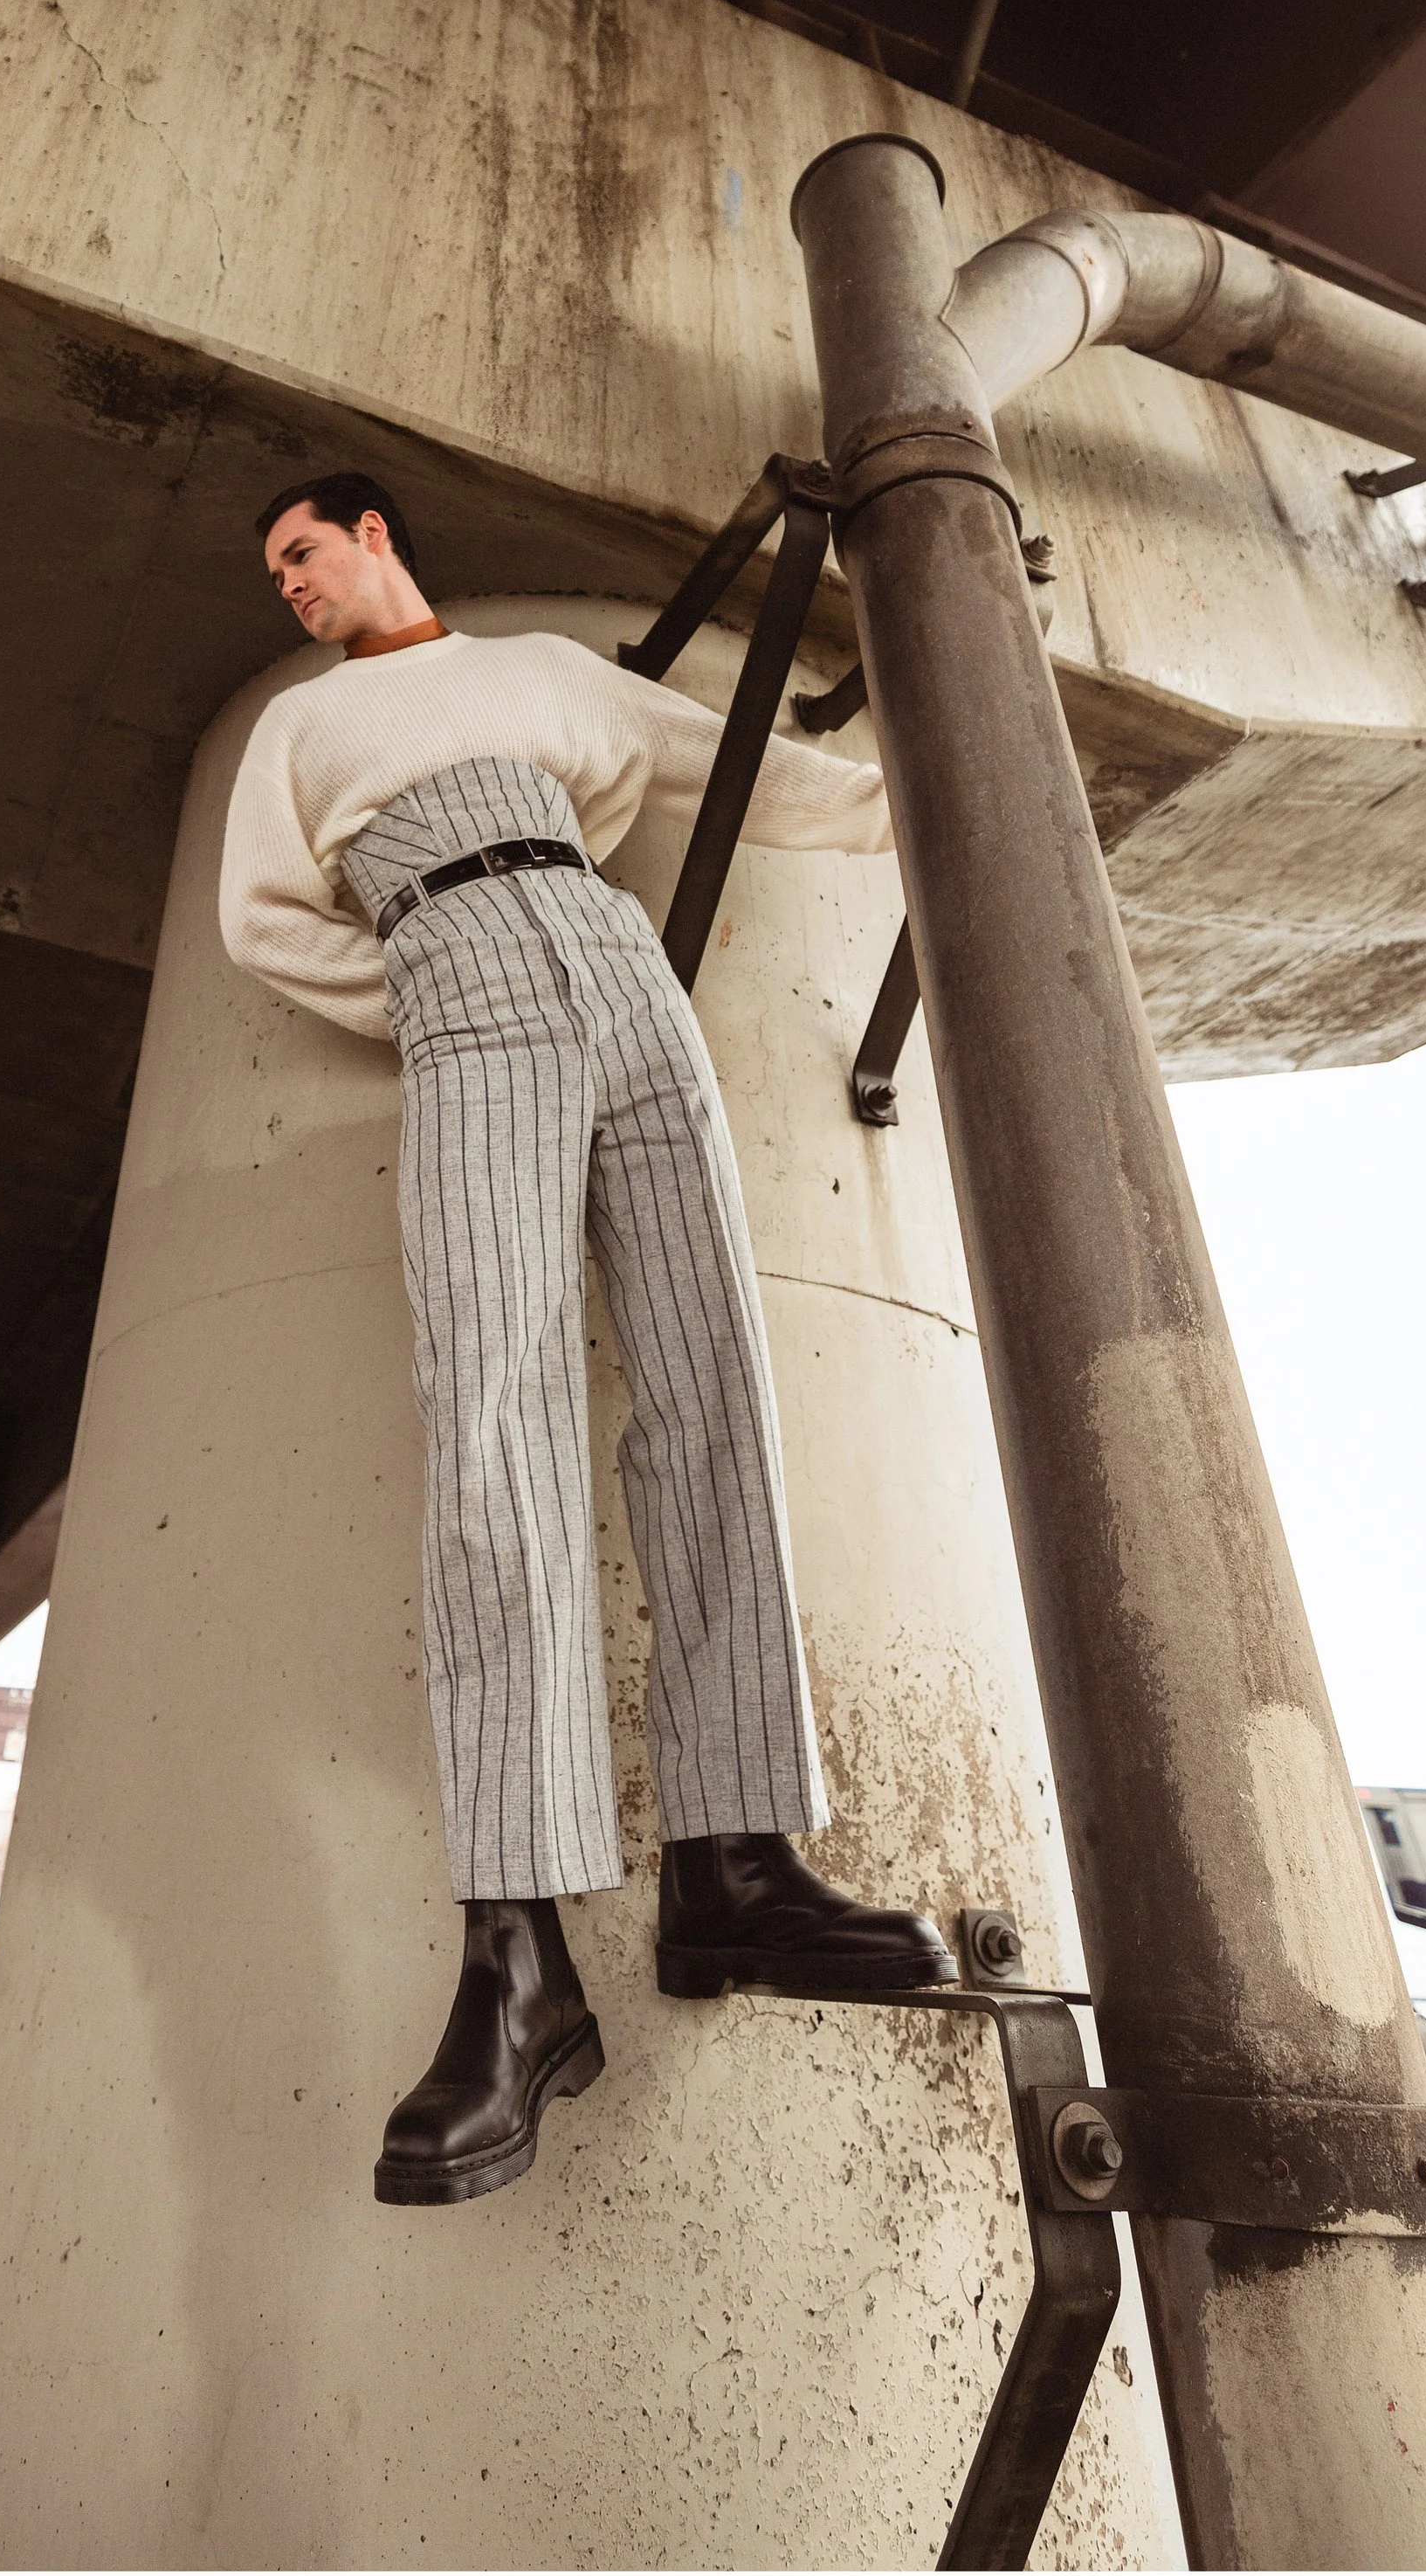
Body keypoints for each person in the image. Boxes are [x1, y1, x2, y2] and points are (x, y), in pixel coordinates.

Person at [221, 473, 955, 2207]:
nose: (289, 590)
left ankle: (733, 1856)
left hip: (616, 969)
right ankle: (514, 1948)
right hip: (454, 975)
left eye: (301, 553)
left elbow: (749, 771)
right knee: (493, 1429)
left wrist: (947, 790)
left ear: (374, 533)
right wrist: (418, 989)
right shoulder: (298, 729)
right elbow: (259, 920)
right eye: (271, 576)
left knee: (712, 1391)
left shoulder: (548, 670)